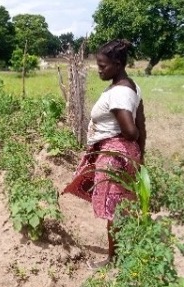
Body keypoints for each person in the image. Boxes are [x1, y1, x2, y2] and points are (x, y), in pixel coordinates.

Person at [62, 39, 146, 267]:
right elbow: (142, 125)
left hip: (115, 155)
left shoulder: (119, 93)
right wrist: (140, 157)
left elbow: (131, 130)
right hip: (122, 154)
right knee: (122, 207)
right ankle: (123, 253)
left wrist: (118, 146)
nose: (99, 70)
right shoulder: (131, 87)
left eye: (103, 65)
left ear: (117, 64)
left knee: (115, 209)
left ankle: (113, 259)